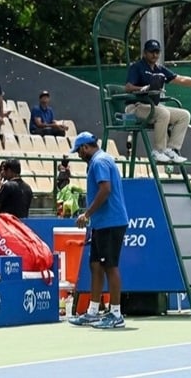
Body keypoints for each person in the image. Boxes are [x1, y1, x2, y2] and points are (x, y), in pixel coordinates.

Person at [68, 131, 130, 329]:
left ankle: (116, 314)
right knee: (95, 265)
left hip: (111, 222)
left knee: (110, 266)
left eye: (79, 151)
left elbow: (105, 190)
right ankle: (93, 312)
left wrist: (86, 214)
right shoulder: (99, 160)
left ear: (86, 147)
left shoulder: (99, 162)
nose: (78, 155)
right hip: (101, 223)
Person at [124, 39, 191, 164]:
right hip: (135, 107)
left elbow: (180, 79)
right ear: (144, 53)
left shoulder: (160, 69)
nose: (154, 55)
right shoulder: (136, 67)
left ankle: (171, 150)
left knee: (184, 115)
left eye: (157, 52)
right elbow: (127, 87)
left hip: (153, 107)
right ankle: (158, 151)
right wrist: (143, 88)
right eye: (151, 52)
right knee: (163, 113)